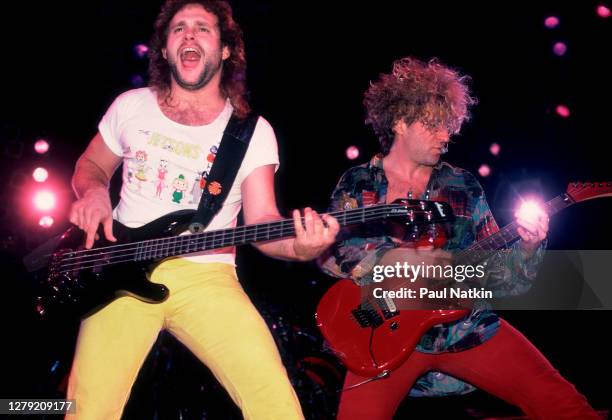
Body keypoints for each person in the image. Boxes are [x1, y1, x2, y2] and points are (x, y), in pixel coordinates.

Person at [65, 1, 339, 419]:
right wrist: (93, 192)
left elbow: (263, 219)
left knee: (275, 404)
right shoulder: (131, 105)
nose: (189, 35)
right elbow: (91, 166)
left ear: (226, 49)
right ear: (164, 49)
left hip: (208, 277)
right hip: (121, 269)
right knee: (87, 410)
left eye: (202, 29)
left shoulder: (253, 132)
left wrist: (300, 249)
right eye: (179, 29)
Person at [318, 57, 599, 419]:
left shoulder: (462, 186)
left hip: (465, 329)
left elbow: (503, 279)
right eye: (434, 126)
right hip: (384, 333)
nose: (446, 136)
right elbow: (337, 252)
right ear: (401, 122)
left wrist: (528, 246)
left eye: (448, 126)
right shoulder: (358, 183)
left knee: (564, 404)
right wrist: (402, 263)